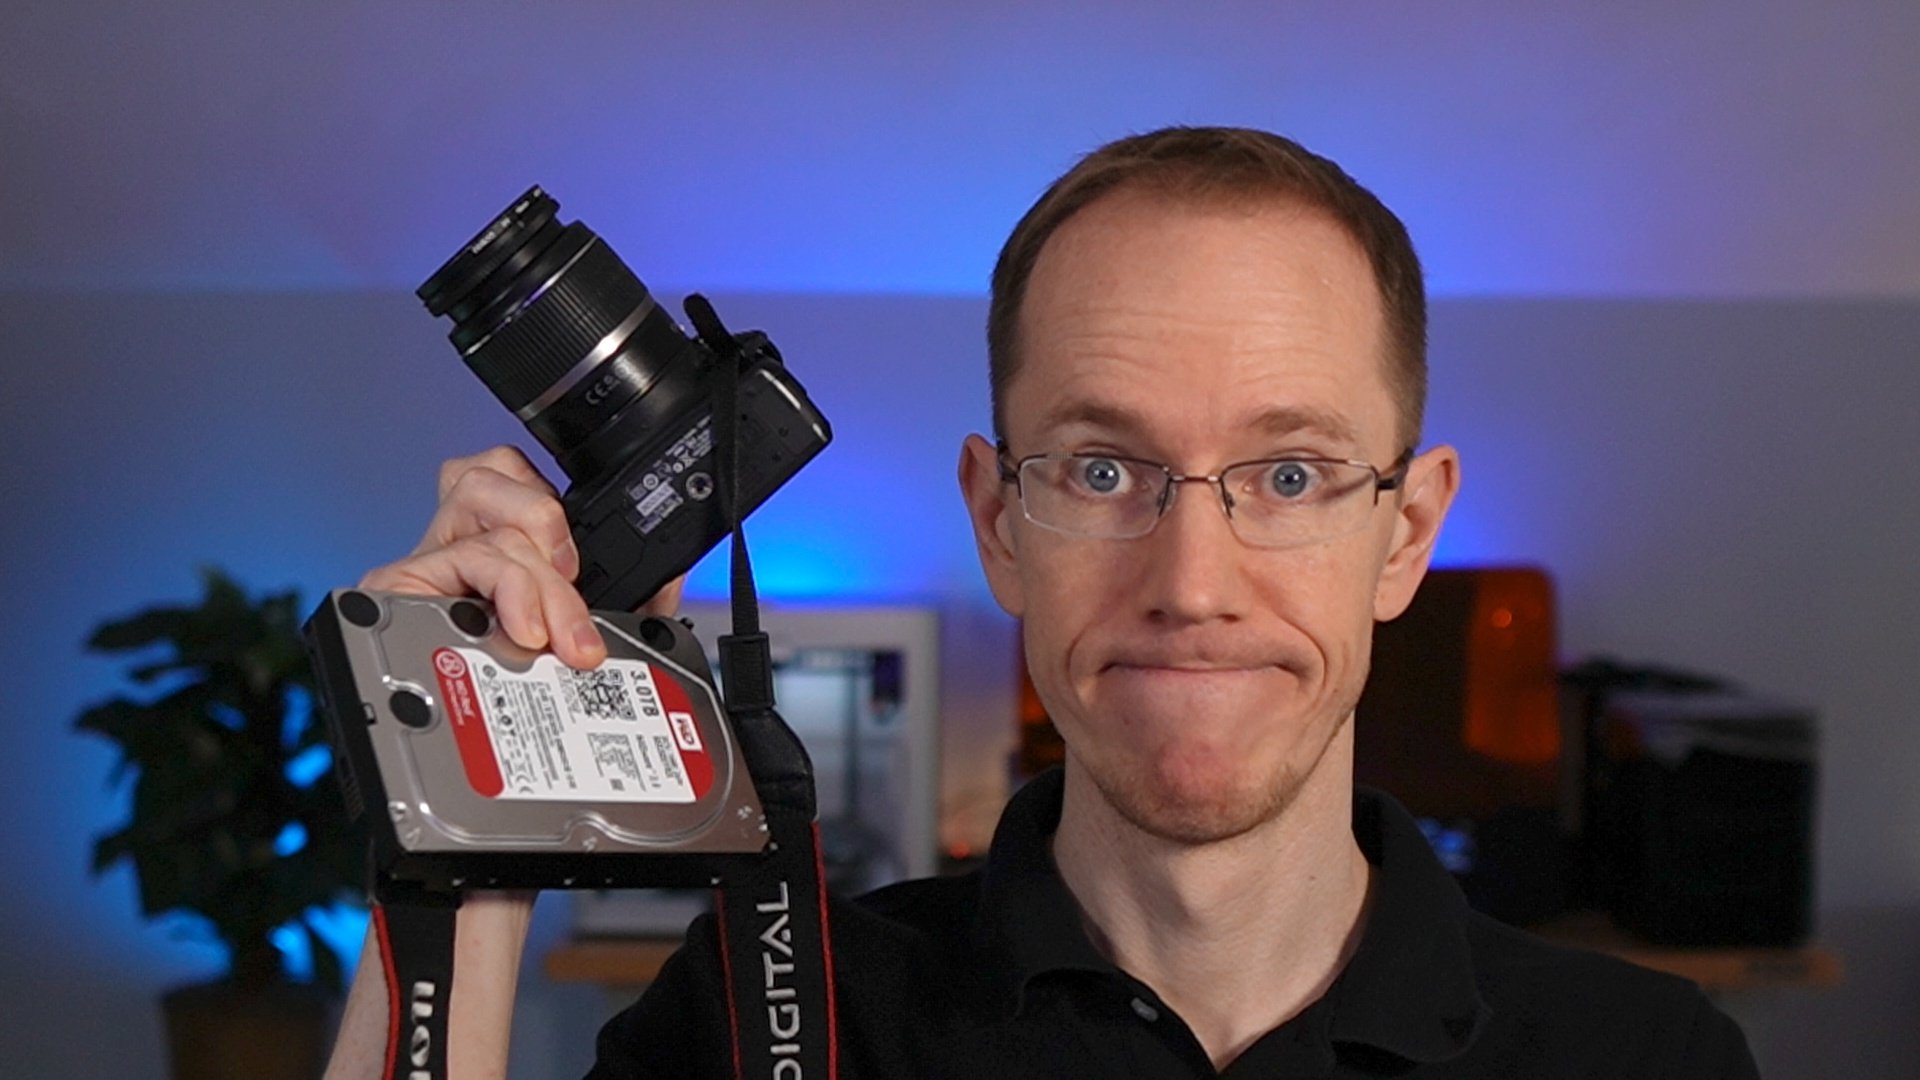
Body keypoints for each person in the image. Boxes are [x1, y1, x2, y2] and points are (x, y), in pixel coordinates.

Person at [326, 126, 1760, 1078]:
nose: (1192, 586)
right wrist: (466, 822)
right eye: (1101, 468)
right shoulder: (770, 1017)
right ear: (999, 521)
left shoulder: (1647, 1060)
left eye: (1290, 475)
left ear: (1408, 534)